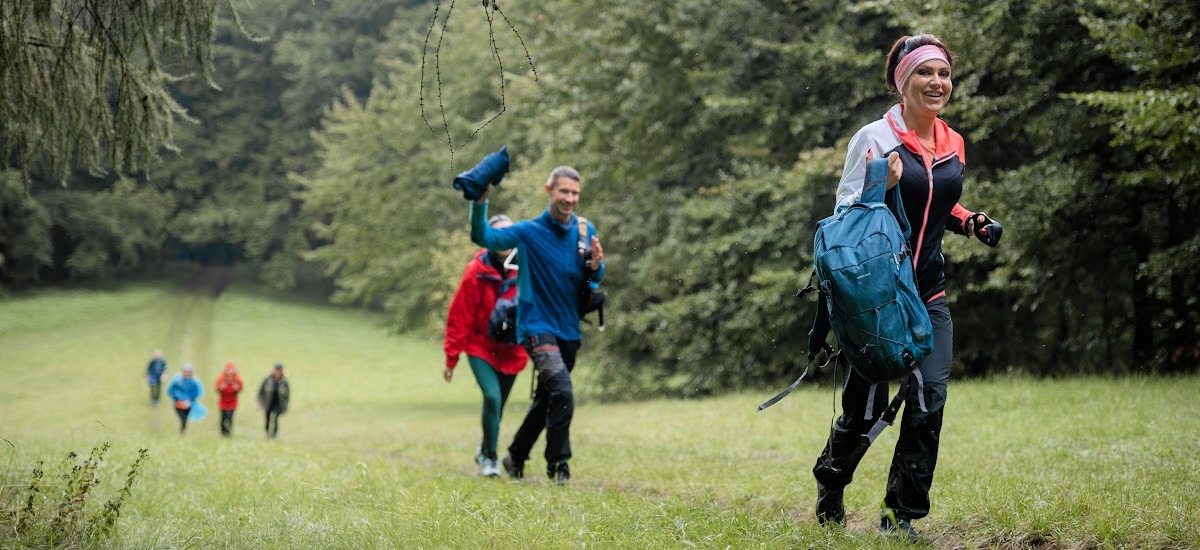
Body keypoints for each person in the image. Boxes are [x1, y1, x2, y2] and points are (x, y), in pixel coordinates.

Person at [811, 34, 1002, 542]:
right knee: (865, 412)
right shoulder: (874, 138)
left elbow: (936, 202)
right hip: (879, 299)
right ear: (903, 83)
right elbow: (845, 218)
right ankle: (831, 480)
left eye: (943, 73)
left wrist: (969, 221)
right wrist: (883, 186)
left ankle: (900, 518)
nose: (936, 82)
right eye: (924, 73)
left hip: (929, 294)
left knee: (928, 399)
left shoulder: (953, 141)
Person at [467, 164, 606, 484]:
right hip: (536, 326)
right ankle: (559, 467)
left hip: (569, 328)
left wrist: (597, 267)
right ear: (549, 191)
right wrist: (479, 204)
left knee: (548, 398)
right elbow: (483, 236)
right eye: (563, 192)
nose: (569, 198)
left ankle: (514, 457)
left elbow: (594, 275)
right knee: (563, 392)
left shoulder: (585, 230)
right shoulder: (529, 232)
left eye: (574, 193)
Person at [443, 214, 530, 477]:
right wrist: (451, 357)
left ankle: (483, 449)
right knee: (492, 398)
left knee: (499, 405)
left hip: (513, 349)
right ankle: (489, 460)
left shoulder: (525, 267)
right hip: (480, 347)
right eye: (498, 234)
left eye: (509, 234)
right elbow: (460, 316)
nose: (504, 240)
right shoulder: (476, 271)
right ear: (490, 239)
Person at [166, 363, 204, 434]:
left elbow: (196, 393)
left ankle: (183, 430)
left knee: (185, 418)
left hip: (188, 404)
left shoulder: (194, 382)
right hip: (178, 404)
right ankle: (182, 430)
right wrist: (178, 398)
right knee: (182, 418)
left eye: (188, 372)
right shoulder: (177, 381)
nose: (186, 373)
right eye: (185, 371)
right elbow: (171, 391)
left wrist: (189, 400)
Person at [257, 362, 290, 439]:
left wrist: (285, 408)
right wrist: (259, 402)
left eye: (279, 370)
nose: (277, 372)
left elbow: (287, 396)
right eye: (276, 370)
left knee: (275, 418)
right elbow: (260, 391)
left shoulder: (284, 382)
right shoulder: (267, 379)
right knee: (267, 419)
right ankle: (267, 433)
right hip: (268, 403)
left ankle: (273, 435)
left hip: (278, 404)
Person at [215, 362, 244, 437]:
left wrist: (236, 387)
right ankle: (223, 432)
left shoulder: (237, 379)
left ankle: (228, 432)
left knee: (230, 417)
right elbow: (217, 389)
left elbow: (240, 388)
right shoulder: (221, 378)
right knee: (223, 418)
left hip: (232, 402)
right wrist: (222, 386)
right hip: (223, 402)